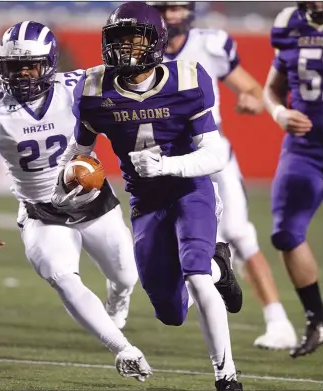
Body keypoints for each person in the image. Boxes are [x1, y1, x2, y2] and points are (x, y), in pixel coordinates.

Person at [52, 3, 244, 390]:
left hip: (190, 189)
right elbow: (81, 150)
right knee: (170, 311)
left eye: (135, 39)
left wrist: (168, 166)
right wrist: (66, 180)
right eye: (118, 40)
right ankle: (221, 266)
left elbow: (217, 153)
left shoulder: (187, 78)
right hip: (145, 200)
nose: (126, 48)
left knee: (197, 276)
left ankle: (227, 379)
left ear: (155, 41)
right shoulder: (93, 90)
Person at [0, 21, 152, 381]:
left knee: (125, 276)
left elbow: (133, 82)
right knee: (62, 276)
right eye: (15, 66)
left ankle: (117, 298)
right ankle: (122, 347)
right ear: (3, 66)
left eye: (31, 64)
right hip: (41, 212)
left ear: (50, 63)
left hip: (94, 202)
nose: (23, 73)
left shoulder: (77, 88)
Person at [148, 1, 297, 350]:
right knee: (164, 239)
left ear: (190, 10)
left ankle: (279, 321)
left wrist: (251, 100)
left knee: (238, 234)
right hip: (166, 158)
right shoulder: (140, 49)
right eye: (164, 7)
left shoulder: (210, 44)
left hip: (211, 152)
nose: (171, 15)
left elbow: (254, 90)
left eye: (178, 7)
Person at [263, 2, 323, 358]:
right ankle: (317, 320)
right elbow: (273, 87)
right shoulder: (288, 22)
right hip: (306, 148)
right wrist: (279, 112)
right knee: (286, 232)